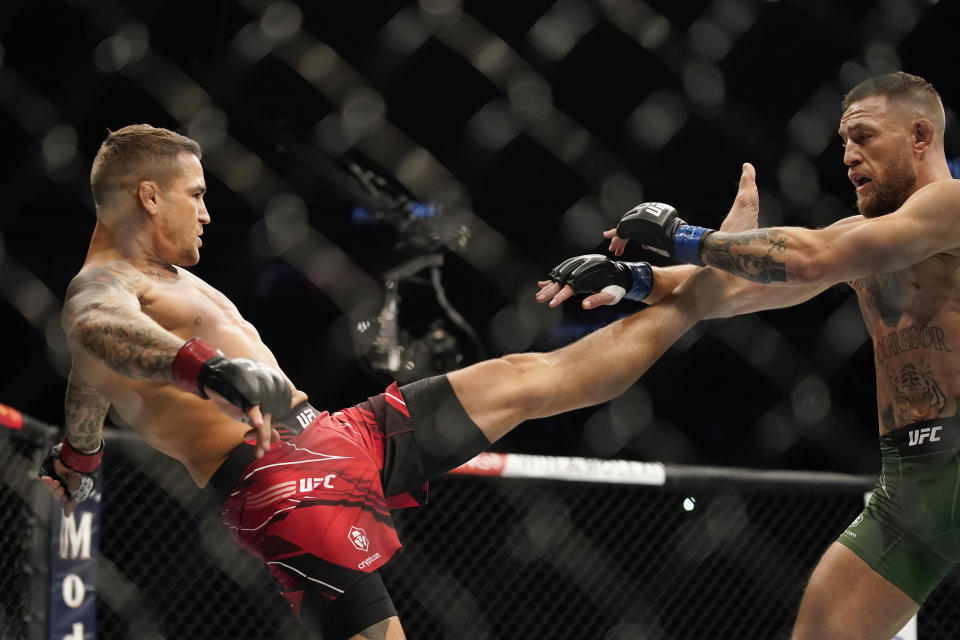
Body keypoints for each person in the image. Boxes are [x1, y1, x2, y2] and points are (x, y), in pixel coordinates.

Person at [40, 123, 743, 640]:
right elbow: (100, 331)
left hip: (334, 432)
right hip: (278, 485)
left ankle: (706, 288)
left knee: (534, 378)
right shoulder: (103, 287)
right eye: (194, 195)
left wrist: (80, 455)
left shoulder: (156, 281)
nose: (208, 211)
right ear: (147, 197)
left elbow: (91, 377)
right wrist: (213, 369)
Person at [546, 71, 959, 640]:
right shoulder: (866, 237)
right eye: (842, 142)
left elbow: (812, 256)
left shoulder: (952, 206)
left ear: (920, 135)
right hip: (911, 484)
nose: (847, 155)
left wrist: (685, 235)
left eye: (863, 137)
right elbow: (750, 286)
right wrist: (634, 278)